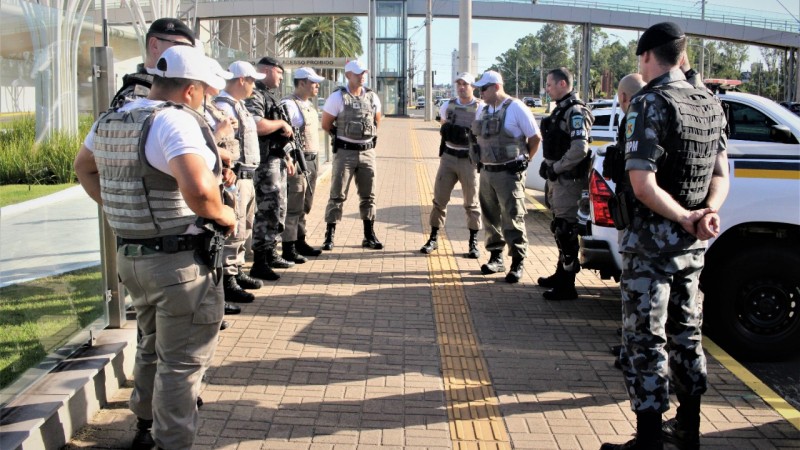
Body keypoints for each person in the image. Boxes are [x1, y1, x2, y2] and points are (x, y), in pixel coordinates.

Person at [73, 45, 235, 450]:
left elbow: (84, 166)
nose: (207, 101)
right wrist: (225, 217)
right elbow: (199, 190)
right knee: (181, 364)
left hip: (133, 257)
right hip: (178, 263)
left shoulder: (113, 117)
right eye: (207, 94)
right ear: (192, 91)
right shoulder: (175, 122)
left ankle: (144, 426)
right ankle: (171, 441)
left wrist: (116, 208)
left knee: (149, 344)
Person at [601, 22, 729, 450]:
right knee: (687, 334)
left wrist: (685, 216)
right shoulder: (708, 101)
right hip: (692, 247)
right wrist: (706, 213)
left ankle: (650, 439)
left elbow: (642, 185)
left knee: (645, 339)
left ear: (646, 57)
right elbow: (722, 174)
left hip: (652, 246)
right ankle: (688, 430)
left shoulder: (649, 102)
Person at [469, 70, 541, 283]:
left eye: (483, 88)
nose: (480, 92)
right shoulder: (483, 109)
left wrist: (526, 159)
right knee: (490, 217)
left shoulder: (516, 107)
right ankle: (496, 257)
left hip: (509, 173)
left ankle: (517, 261)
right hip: (487, 172)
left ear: (496, 87)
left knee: (512, 216)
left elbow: (535, 137)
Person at [537, 67, 594, 300]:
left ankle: (567, 285)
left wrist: (556, 167)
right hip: (558, 180)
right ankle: (561, 274)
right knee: (559, 227)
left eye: (549, 85)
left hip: (568, 181)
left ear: (562, 84)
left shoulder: (576, 112)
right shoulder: (561, 110)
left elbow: (580, 148)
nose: (547, 89)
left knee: (566, 230)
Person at [213, 61, 266, 303]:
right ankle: (228, 278)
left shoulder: (238, 106)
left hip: (247, 175)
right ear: (241, 80)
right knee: (234, 230)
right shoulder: (223, 108)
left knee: (245, 227)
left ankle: (238, 270)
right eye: (252, 80)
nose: (255, 84)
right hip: (235, 176)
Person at [321, 60, 383, 250]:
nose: (362, 76)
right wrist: (343, 139)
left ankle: (369, 234)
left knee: (368, 195)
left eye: (364, 72)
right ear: (348, 75)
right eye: (358, 73)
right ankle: (329, 235)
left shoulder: (372, 97)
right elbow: (326, 124)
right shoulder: (337, 97)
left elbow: (377, 121)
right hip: (345, 152)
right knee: (337, 194)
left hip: (367, 152)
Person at [420, 72, 482, 258]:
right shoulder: (448, 105)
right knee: (439, 200)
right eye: (459, 84)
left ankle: (473, 242)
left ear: (473, 87)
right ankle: (433, 238)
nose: (462, 87)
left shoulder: (480, 108)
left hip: (468, 160)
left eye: (465, 84)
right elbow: (444, 127)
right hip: (448, 157)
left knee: (471, 203)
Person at [246, 56, 296, 281]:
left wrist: (285, 156)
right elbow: (256, 124)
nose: (281, 78)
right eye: (279, 73)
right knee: (266, 211)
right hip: (264, 164)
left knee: (278, 209)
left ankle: (270, 252)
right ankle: (260, 261)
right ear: (266, 70)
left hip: (275, 159)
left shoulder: (268, 94)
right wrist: (281, 124)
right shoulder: (255, 94)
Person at [201, 58, 243, 322]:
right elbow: (195, 153)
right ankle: (211, 307)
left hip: (221, 181)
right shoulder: (184, 114)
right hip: (202, 197)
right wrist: (220, 135)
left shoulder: (210, 107)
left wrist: (224, 165)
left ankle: (216, 302)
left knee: (217, 247)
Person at [281, 67, 327, 262]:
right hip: (298, 160)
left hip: (312, 160)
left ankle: (300, 240)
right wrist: (288, 158)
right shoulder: (289, 105)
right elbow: (283, 136)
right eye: (313, 82)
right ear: (301, 83)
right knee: (294, 205)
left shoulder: (308, 105)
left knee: (305, 204)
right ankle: (288, 247)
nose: (317, 86)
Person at [110, 18, 195, 109]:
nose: (186, 54)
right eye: (181, 46)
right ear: (154, 45)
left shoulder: (175, 91)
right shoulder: (136, 97)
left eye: (191, 49)